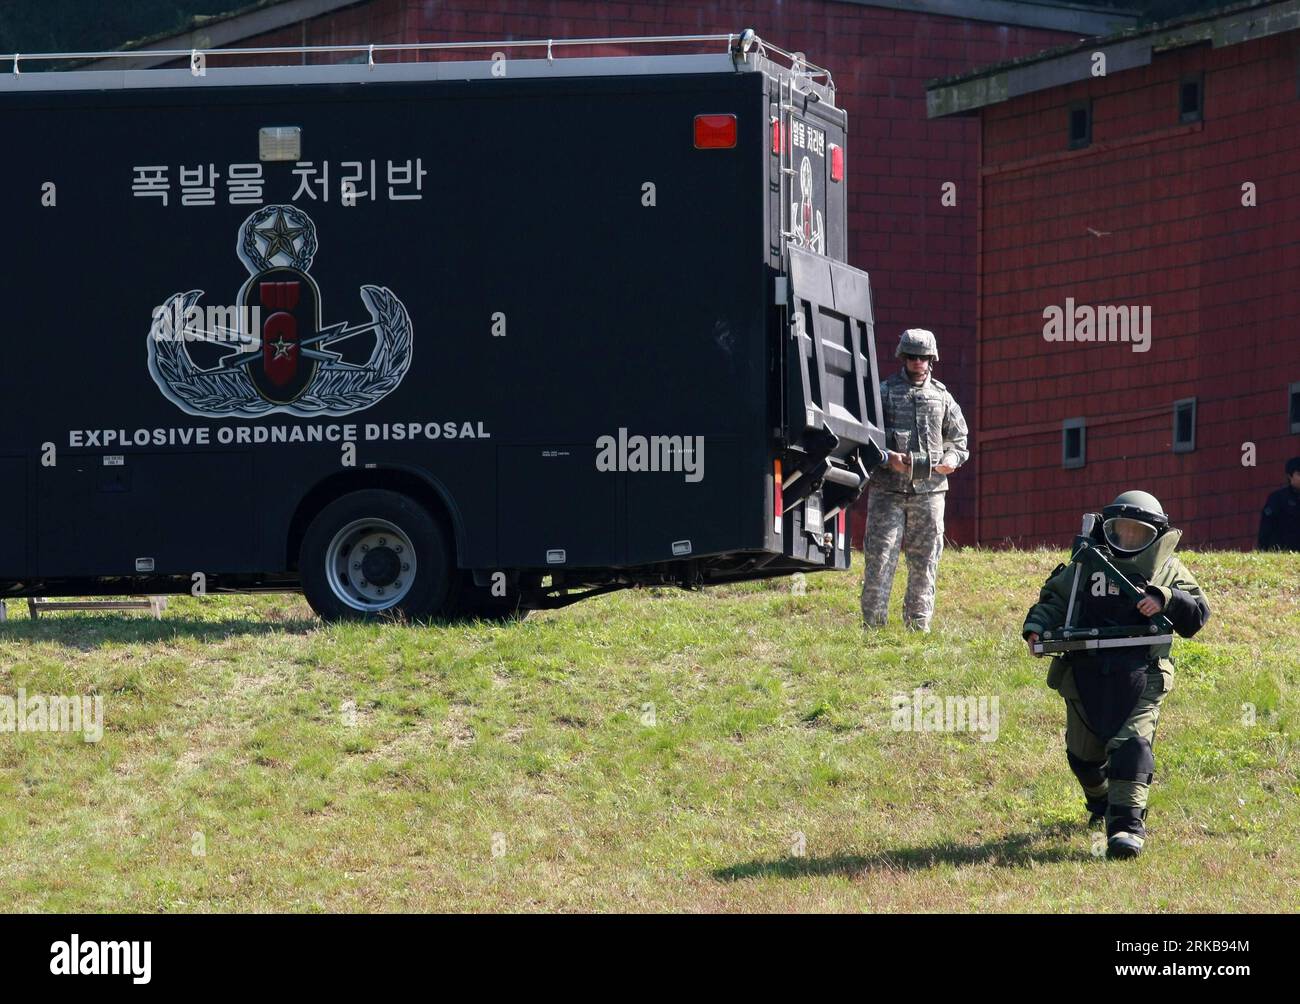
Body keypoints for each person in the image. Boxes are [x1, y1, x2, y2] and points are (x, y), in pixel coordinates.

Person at [1023, 491, 1210, 860]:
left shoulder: (1168, 569)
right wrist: (1036, 628)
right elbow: (1055, 600)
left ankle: (1126, 830)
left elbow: (1198, 612)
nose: (1126, 541)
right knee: (1083, 757)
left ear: (1155, 535)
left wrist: (1164, 598)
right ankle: (1101, 801)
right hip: (1085, 673)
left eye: (1136, 534)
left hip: (1142, 673)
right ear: (1105, 531)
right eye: (1118, 532)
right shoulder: (1085, 564)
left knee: (1131, 749)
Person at [860, 329, 968, 631]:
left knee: (925, 562)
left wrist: (951, 460)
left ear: (931, 359)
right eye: (911, 357)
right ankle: (872, 629)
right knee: (880, 561)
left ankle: (918, 629)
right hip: (888, 491)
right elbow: (864, 439)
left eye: (922, 357)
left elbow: (960, 441)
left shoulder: (943, 397)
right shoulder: (883, 393)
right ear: (902, 358)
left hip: (930, 492)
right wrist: (886, 457)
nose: (917, 362)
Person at [1257, 456, 1300, 551]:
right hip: (1283, 551)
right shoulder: (1278, 498)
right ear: (1290, 476)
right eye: (1299, 474)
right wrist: (1263, 549)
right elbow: (1266, 527)